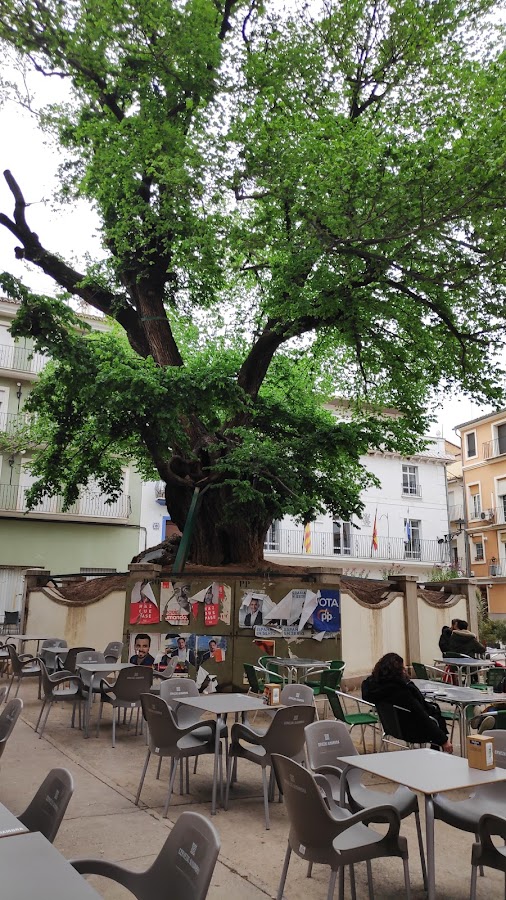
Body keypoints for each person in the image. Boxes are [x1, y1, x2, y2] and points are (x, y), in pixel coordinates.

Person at [362, 652, 453, 752]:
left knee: (433, 711)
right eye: (403, 668)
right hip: (412, 731)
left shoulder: (373, 687)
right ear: (399, 671)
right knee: (434, 715)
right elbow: (422, 716)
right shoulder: (402, 692)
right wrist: (443, 740)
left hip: (391, 728)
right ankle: (436, 749)